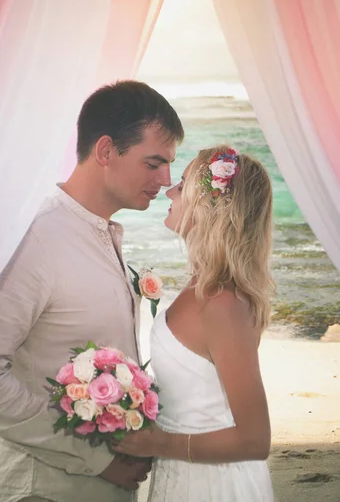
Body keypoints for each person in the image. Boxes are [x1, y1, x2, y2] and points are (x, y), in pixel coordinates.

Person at [0, 81, 184, 502]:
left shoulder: (97, 231)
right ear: (106, 150)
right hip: (44, 489)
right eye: (153, 163)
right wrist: (95, 459)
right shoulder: (36, 237)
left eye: (169, 165)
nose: (165, 180)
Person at [112, 146, 275, 501]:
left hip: (214, 486)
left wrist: (160, 443)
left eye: (182, 184)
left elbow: (255, 439)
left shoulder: (223, 304)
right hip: (181, 476)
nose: (169, 191)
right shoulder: (201, 285)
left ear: (210, 205)